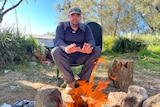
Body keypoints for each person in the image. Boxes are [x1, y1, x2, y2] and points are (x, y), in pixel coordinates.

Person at [51, 6, 101, 93]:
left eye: (77, 15)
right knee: (55, 51)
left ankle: (83, 81)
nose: (75, 17)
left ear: (80, 17)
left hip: (82, 55)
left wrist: (89, 47)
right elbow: (58, 40)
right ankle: (70, 82)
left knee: (97, 50)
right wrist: (66, 48)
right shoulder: (61, 26)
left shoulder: (86, 27)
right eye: (72, 15)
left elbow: (91, 40)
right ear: (69, 16)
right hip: (67, 56)